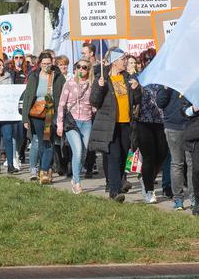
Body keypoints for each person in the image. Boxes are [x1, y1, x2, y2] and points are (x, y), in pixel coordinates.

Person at [89, 48, 141, 202]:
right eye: (122, 59)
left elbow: (137, 100)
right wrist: (99, 86)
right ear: (114, 61)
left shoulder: (128, 77)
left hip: (126, 123)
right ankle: (113, 191)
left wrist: (136, 88)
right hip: (110, 124)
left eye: (125, 59)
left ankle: (117, 187)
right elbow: (94, 101)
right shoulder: (103, 78)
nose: (125, 62)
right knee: (114, 156)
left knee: (124, 156)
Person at [22, 51, 64, 183]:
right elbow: (28, 96)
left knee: (48, 142)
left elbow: (62, 94)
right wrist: (25, 118)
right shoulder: (34, 76)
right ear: (39, 64)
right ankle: (46, 169)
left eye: (49, 63)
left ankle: (44, 170)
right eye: (44, 63)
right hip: (36, 113)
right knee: (41, 142)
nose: (46, 66)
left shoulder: (57, 76)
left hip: (50, 112)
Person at [57, 58, 96, 193]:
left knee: (84, 153)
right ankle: (77, 183)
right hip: (72, 122)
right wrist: (59, 125)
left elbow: (95, 103)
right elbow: (62, 104)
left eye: (84, 67)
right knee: (78, 151)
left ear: (88, 70)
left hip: (87, 121)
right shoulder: (69, 83)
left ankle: (75, 176)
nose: (81, 69)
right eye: (78, 67)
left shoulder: (92, 84)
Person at [133, 49, 167, 204]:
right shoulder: (138, 77)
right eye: (146, 59)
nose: (149, 61)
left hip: (161, 121)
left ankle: (147, 177)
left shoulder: (163, 76)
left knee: (162, 155)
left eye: (152, 58)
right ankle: (149, 190)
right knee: (149, 157)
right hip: (143, 121)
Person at [156, 85, 193, 210]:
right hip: (173, 126)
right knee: (177, 163)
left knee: (192, 163)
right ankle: (178, 199)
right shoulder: (168, 79)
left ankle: (194, 198)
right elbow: (160, 103)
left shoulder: (192, 75)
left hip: (191, 124)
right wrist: (166, 89)